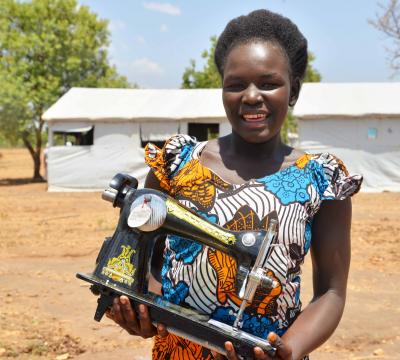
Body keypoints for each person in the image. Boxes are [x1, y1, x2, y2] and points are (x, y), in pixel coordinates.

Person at [106, 9, 362, 360]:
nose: (251, 96)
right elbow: (148, 261)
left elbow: (331, 292)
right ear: (223, 90)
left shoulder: (321, 180)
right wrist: (142, 308)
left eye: (269, 83)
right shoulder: (176, 164)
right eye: (236, 85)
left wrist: (290, 349)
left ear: (294, 91)